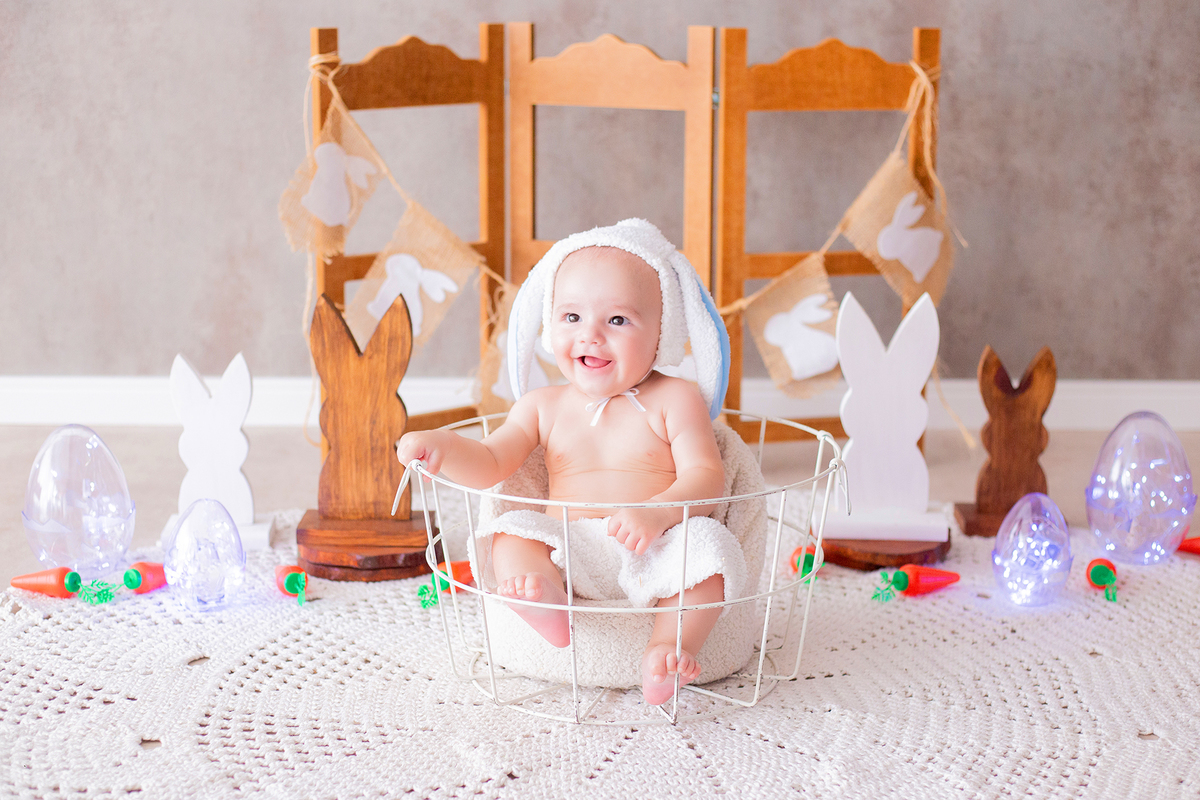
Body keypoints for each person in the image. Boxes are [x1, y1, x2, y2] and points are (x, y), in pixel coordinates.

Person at [397, 220, 744, 705]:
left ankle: (668, 647)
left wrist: (660, 511)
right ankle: (541, 594)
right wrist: (445, 449)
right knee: (511, 529)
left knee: (711, 547)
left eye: (617, 321)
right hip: (568, 549)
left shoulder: (675, 398)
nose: (591, 336)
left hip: (657, 546)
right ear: (548, 323)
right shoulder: (543, 405)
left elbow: (708, 476)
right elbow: (493, 461)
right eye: (572, 317)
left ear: (662, 331)